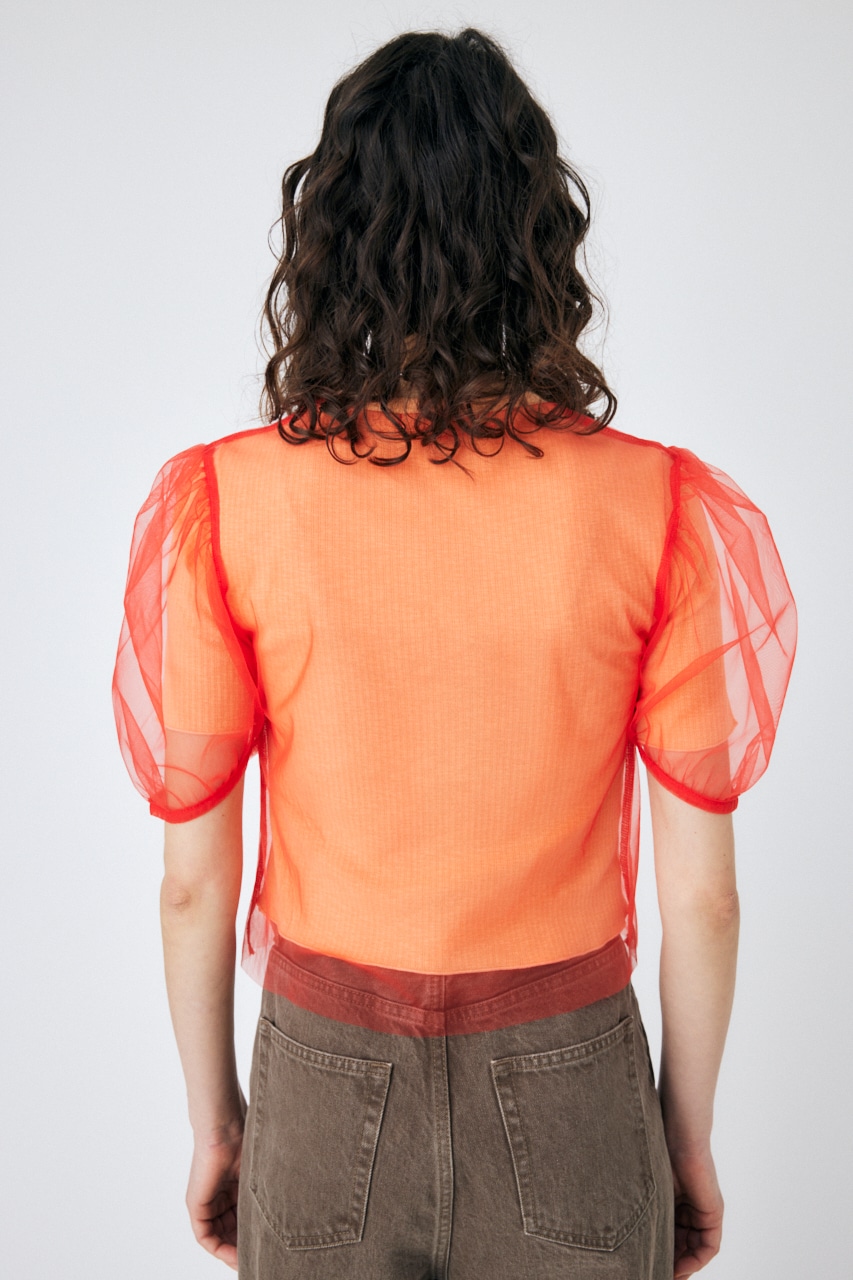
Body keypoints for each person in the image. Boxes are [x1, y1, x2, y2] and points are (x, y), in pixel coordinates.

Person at [111, 27, 797, 1280]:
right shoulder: (655, 507)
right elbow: (704, 895)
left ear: (330, 241)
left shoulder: (230, 503)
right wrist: (684, 1140)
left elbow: (191, 885)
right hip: (571, 1075)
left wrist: (217, 1124)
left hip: (322, 1081)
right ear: (539, 239)